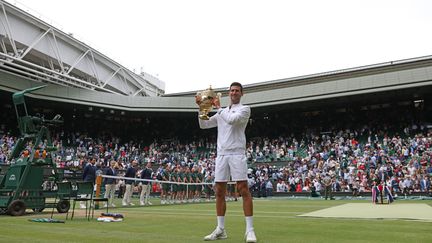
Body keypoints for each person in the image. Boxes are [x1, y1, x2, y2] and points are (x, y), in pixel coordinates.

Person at [197, 82, 257, 242]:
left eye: (237, 91)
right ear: (228, 93)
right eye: (232, 90)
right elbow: (204, 124)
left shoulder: (245, 109)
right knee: (219, 192)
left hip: (237, 153)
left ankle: (250, 230)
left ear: (241, 93)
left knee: (243, 189)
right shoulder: (222, 112)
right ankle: (220, 229)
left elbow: (231, 120)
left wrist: (217, 107)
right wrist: (201, 108)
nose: (234, 93)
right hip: (222, 154)